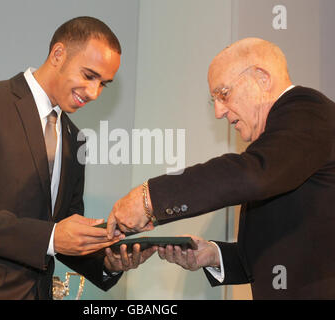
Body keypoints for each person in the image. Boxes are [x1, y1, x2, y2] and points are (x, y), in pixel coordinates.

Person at [0, 16, 155, 300]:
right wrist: (52, 237)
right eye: (89, 75)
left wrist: (108, 263)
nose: (95, 93)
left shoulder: (75, 137)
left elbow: (63, 231)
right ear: (58, 55)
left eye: (103, 84)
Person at [107, 38, 335, 299]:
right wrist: (214, 255)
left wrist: (148, 198)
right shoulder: (279, 145)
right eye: (214, 100)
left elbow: (251, 176)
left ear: (262, 78)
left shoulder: (308, 109)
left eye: (224, 94)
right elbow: (289, 246)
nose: (218, 112)